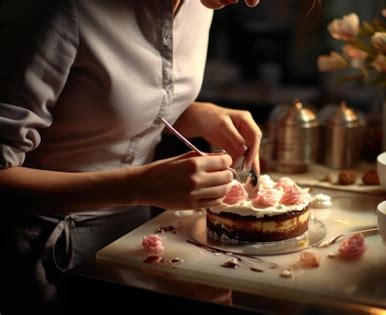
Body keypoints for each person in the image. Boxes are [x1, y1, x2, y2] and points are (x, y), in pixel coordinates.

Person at [0, 0, 262, 313]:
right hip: (40, 256)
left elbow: (100, 105)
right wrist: (138, 187)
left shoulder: (203, 4)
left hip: (135, 243)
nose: (252, 1)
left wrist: (195, 114)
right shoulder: (60, 8)